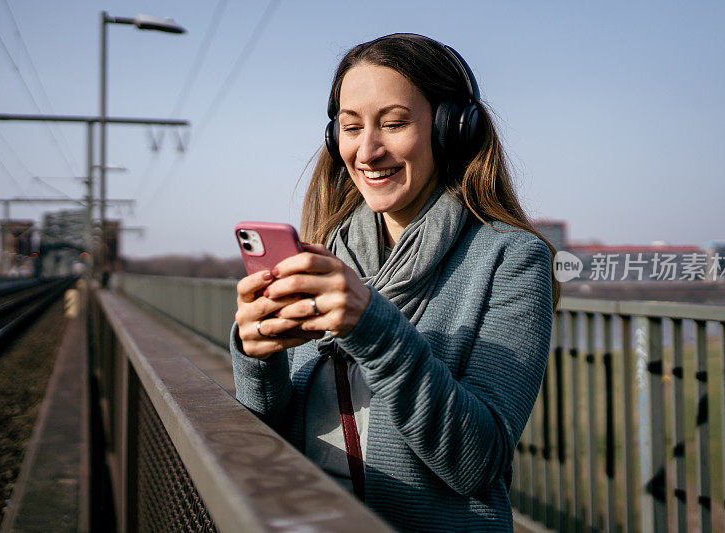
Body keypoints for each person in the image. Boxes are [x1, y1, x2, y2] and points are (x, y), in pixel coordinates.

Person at [231, 33, 559, 532]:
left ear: (452, 129)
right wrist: (258, 359)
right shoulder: (326, 254)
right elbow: (266, 440)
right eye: (350, 126)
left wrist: (371, 325)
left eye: (394, 123)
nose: (367, 150)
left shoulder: (512, 259)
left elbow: (475, 463)